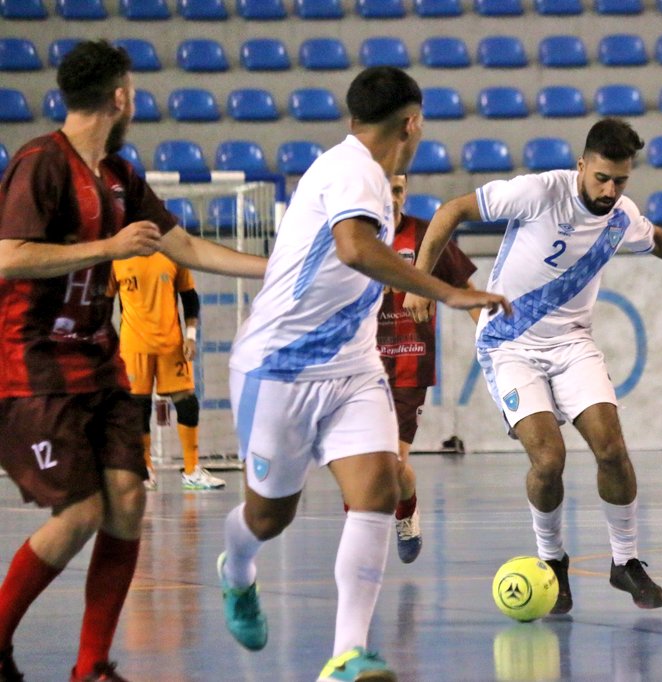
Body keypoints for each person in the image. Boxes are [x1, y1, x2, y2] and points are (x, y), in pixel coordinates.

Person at [217, 66, 509, 682]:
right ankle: (236, 570)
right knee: (270, 518)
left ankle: (347, 651)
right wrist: (445, 293)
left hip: (352, 368)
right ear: (413, 124)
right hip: (279, 370)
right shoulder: (351, 170)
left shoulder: (373, 175)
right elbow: (353, 247)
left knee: (378, 487)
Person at [0, 39, 266, 682]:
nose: (136, 99)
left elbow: (186, 245)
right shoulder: (41, 164)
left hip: (100, 362)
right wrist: (107, 247)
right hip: (33, 363)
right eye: (133, 89)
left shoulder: (120, 175)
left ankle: (91, 667)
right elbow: (7, 255)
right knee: (84, 511)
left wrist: (279, 270)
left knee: (127, 500)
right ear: (120, 97)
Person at [406, 118, 662, 614]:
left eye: (621, 181)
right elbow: (452, 210)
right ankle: (552, 562)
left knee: (611, 448)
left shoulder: (621, 214)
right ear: (581, 166)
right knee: (549, 459)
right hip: (509, 343)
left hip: (571, 344)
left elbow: (660, 241)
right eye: (602, 178)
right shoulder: (539, 192)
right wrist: (420, 279)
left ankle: (625, 562)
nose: (610, 190)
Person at [374, 173, 479, 564]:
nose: (392, 198)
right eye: (384, 189)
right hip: (359, 366)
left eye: (398, 190)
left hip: (408, 363)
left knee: (392, 462)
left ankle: (405, 511)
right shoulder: (354, 237)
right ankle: (366, 537)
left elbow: (466, 291)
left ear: (406, 192)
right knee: (363, 462)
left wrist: (493, 341)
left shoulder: (424, 235)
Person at [109, 255, 226, 491]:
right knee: (138, 407)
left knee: (187, 403)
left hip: (172, 345)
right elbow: (103, 303)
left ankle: (192, 471)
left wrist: (191, 336)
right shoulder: (117, 258)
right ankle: (144, 470)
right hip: (134, 347)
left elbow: (190, 297)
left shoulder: (171, 254)